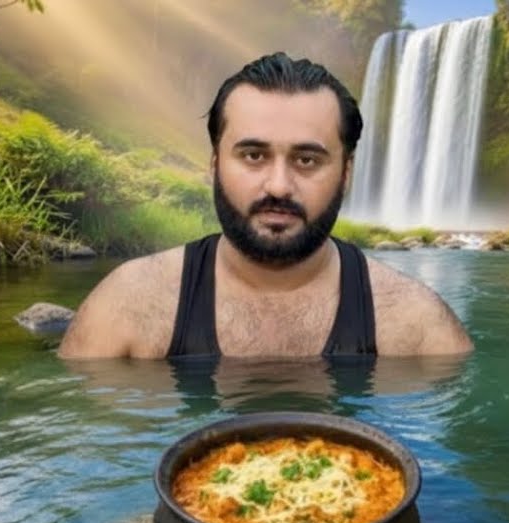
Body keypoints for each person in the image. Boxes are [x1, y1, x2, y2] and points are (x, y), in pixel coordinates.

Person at [58, 52, 473, 359]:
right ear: (215, 164)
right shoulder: (129, 307)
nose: (278, 186)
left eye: (307, 160)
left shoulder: (416, 327)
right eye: (253, 156)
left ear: (346, 173)